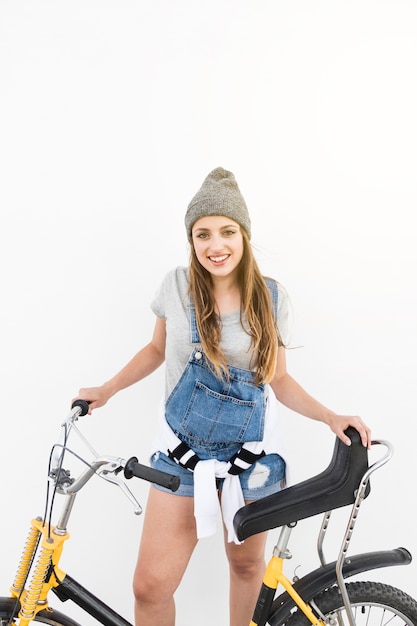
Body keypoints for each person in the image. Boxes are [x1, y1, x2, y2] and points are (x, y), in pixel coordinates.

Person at [73, 167, 371, 626]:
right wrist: (107, 390)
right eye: (203, 233)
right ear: (191, 240)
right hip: (180, 457)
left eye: (227, 231)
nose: (216, 245)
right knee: (149, 588)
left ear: (244, 235)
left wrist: (330, 416)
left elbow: (279, 379)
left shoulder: (271, 299)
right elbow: (156, 349)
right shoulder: (175, 286)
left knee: (247, 566)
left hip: (252, 461)